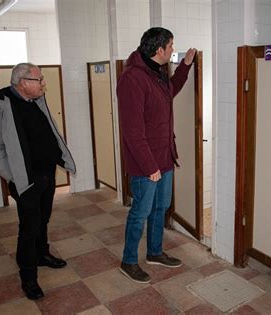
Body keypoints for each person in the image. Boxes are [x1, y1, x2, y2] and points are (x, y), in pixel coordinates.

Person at [0, 63, 76, 300]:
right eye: (39, 79)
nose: (43, 83)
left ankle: (42, 254)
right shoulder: (0, 105)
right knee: (28, 227)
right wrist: (15, 176)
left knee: (43, 219)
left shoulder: (36, 100)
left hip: (46, 173)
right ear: (23, 82)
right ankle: (28, 276)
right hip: (26, 181)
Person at [117, 27, 197, 283]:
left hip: (164, 157)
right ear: (159, 49)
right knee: (140, 212)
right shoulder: (132, 78)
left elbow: (171, 91)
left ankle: (154, 252)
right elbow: (132, 131)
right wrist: (149, 165)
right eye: (172, 46)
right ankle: (128, 261)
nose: (173, 50)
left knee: (160, 208)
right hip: (146, 164)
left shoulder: (158, 74)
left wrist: (184, 66)